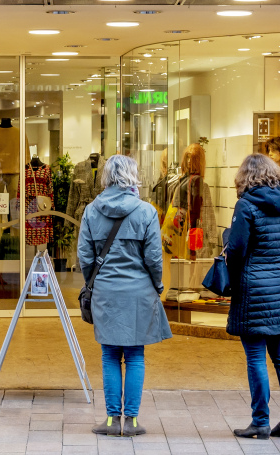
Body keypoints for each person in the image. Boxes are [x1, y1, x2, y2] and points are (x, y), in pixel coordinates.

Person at [78, 154, 172, 438]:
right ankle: (130, 421)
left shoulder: (92, 210)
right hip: (138, 291)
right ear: (133, 176)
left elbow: (84, 255)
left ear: (106, 177)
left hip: (106, 291)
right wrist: (157, 285)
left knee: (109, 355)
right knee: (135, 355)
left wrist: (92, 283)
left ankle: (110, 421)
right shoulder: (146, 211)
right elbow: (154, 258)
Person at [226, 153, 280, 440]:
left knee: (256, 357)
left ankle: (260, 421)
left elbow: (236, 250)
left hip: (253, 291)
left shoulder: (245, 206)